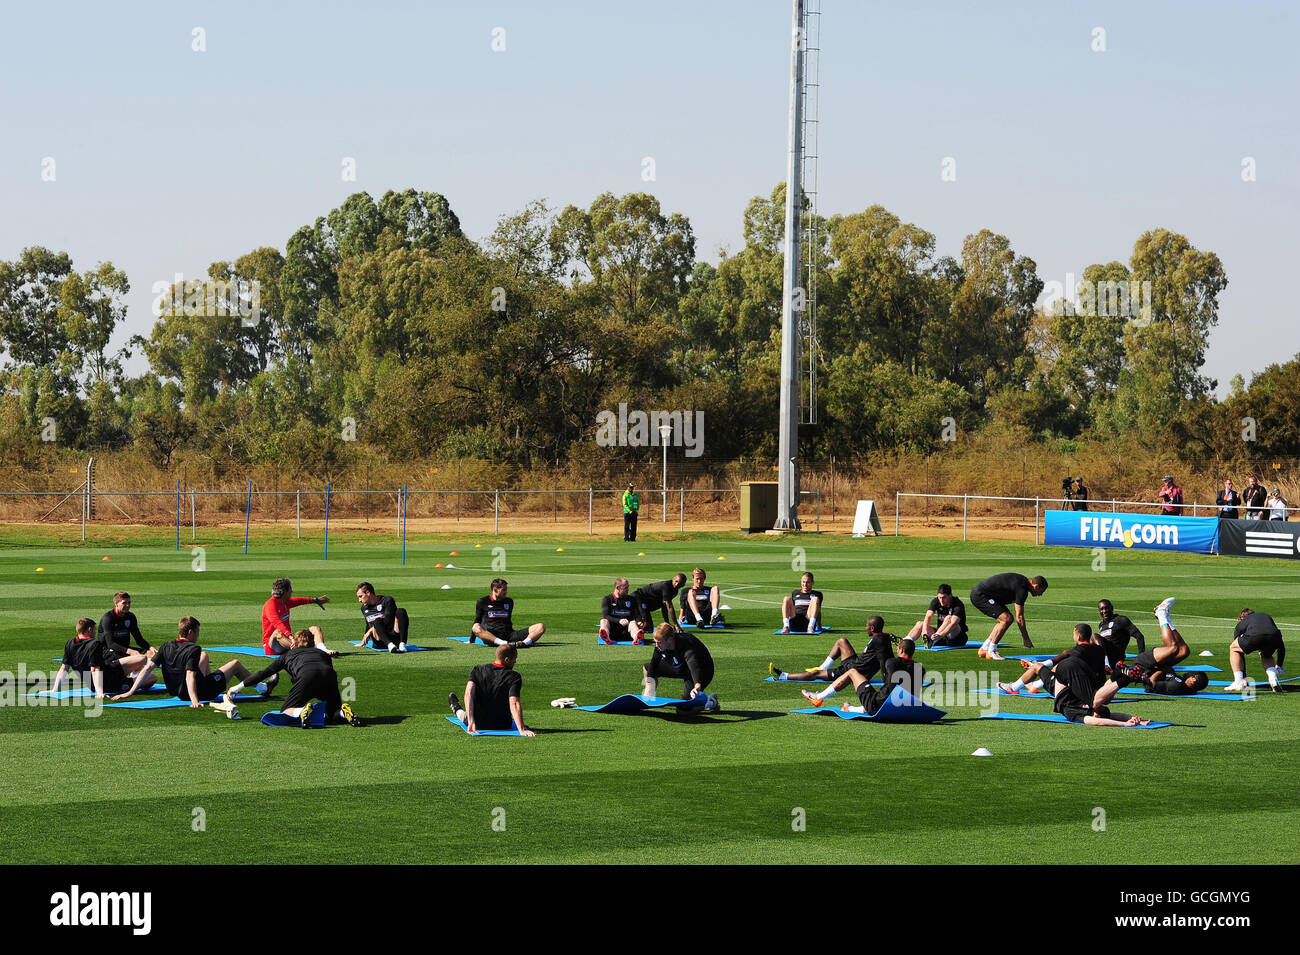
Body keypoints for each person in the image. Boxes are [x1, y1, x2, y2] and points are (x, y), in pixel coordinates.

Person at [112, 617, 257, 710]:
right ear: (190, 633)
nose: (198, 635)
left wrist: (131, 692)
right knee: (235, 664)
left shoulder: (166, 646)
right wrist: (195, 700)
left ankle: (209, 681)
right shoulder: (193, 648)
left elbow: (147, 668)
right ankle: (263, 688)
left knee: (204, 656)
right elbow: (190, 675)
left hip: (178, 693)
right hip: (200, 693)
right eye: (197, 632)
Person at [227, 629, 362, 727]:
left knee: (286, 710)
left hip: (306, 676)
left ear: (295, 643)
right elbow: (325, 671)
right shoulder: (322, 653)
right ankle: (344, 712)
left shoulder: (287, 655)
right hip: (328, 675)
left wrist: (237, 687)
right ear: (312, 643)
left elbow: (264, 674)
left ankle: (302, 710)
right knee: (333, 713)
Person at [769, 616, 895, 707]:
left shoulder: (879, 640)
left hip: (855, 670)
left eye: (867, 626)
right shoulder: (882, 638)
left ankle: (784, 676)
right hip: (856, 663)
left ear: (872, 628)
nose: (865, 628)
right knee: (842, 641)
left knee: (816, 675)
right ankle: (823, 666)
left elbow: (884, 661)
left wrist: (886, 681)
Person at [1107, 599, 1210, 697]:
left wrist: (1163, 671)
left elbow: (1151, 684)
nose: (1190, 674)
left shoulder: (1178, 686)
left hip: (1144, 665)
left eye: (1194, 675)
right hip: (1154, 666)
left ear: (1193, 680)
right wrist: (1167, 670)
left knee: (1173, 648)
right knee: (1184, 651)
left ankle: (1161, 614)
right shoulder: (1185, 687)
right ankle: (1166, 617)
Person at [51, 617, 153, 697]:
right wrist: (100, 692)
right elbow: (95, 669)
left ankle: (129, 677)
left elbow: (64, 668)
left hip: (93, 684)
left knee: (139, 661)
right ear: (89, 629)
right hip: (108, 681)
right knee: (151, 676)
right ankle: (130, 679)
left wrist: (55, 689)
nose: (95, 632)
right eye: (94, 629)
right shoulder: (94, 643)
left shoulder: (70, 643)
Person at [448, 644, 535, 735]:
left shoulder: (478, 670)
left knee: (463, 715)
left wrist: (471, 721)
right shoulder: (514, 676)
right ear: (507, 660)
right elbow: (514, 702)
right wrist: (522, 729)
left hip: (478, 723)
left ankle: (457, 708)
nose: (515, 662)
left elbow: (468, 693)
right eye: (514, 659)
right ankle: (457, 708)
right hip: (502, 724)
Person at [836, 638, 928, 715]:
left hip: (882, 707)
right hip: (906, 709)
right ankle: (853, 708)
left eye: (897, 648)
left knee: (852, 672)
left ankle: (822, 696)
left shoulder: (892, 663)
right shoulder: (921, 668)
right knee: (876, 698)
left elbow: (889, 687)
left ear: (901, 649)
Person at [970, 572, 1048, 659]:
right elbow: (1020, 617)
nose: (1041, 594)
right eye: (1041, 591)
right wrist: (1026, 639)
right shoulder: (1022, 588)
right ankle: (992, 650)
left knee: (1006, 618)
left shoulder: (1023, 583)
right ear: (1036, 586)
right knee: (1006, 619)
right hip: (980, 595)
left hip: (985, 595)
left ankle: (984, 648)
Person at [643, 622, 718, 709]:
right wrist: (649, 687)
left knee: (684, 710)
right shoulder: (661, 645)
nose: (656, 645)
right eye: (655, 642)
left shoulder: (686, 644)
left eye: (659, 642)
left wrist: (697, 685)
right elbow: (654, 664)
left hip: (702, 672)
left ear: (670, 639)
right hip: (681, 666)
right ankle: (650, 698)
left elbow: (693, 665)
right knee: (647, 669)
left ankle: (710, 702)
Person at [261, 578, 336, 659]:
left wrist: (315, 600)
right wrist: (290, 637)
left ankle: (323, 650)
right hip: (271, 647)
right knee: (277, 632)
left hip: (287, 642)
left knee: (315, 629)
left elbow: (299, 600)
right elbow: (277, 623)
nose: (291, 592)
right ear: (284, 592)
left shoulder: (285, 601)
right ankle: (301, 652)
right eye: (290, 589)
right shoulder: (270, 605)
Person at [471, 578, 544, 648]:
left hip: (510, 635)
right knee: (475, 627)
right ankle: (502, 643)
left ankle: (524, 643)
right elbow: (477, 620)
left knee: (540, 626)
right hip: (492, 636)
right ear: (495, 590)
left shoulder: (509, 601)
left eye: (506, 589)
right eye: (504, 590)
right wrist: (472, 640)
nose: (506, 592)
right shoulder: (483, 601)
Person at [1227, 608, 1287, 693]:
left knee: (1234, 649)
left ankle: (1238, 682)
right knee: (1266, 654)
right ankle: (1273, 678)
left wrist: (1244, 677)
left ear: (1241, 619)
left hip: (1254, 636)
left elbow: (1240, 653)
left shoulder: (1242, 623)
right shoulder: (1265, 616)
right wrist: (1279, 664)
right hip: (1274, 636)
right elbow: (1281, 646)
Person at [906, 583, 967, 648]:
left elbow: (954, 623)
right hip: (939, 636)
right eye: (939, 597)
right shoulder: (936, 601)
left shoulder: (958, 604)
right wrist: (924, 631)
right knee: (920, 624)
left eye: (944, 598)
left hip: (956, 638)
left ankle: (934, 640)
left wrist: (941, 635)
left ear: (950, 596)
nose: (941, 600)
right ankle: (905, 641)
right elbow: (928, 616)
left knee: (948, 618)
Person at [355, 582, 409, 652]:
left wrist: (371, 630)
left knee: (401, 611)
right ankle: (389, 645)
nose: (359, 600)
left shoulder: (387, 600)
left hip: (394, 637)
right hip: (379, 641)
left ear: (368, 593)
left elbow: (388, 621)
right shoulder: (363, 608)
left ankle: (402, 644)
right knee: (377, 621)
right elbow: (368, 624)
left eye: (360, 596)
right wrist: (364, 639)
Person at [1095, 598, 1146, 665]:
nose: (1104, 611)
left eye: (1106, 608)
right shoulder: (1101, 625)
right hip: (1107, 654)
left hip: (1117, 656)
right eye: (1101, 609)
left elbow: (1139, 636)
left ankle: (1106, 664)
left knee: (1094, 636)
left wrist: (1141, 658)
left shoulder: (1121, 620)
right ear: (1099, 611)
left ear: (1112, 608)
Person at [98, 592, 151, 656]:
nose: (128, 605)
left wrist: (150, 648)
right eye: (124, 603)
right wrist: (130, 651)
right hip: (108, 651)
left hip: (124, 649)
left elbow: (139, 639)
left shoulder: (131, 616)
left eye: (129, 602)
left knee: (153, 655)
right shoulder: (108, 618)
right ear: (116, 604)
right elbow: (110, 644)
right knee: (140, 658)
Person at [600, 577, 645, 644]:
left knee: (633, 623)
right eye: (626, 588)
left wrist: (639, 622)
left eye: (628, 587)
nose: (628, 590)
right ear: (617, 588)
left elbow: (637, 614)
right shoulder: (607, 599)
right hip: (612, 631)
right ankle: (606, 637)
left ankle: (637, 637)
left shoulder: (631, 599)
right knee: (603, 621)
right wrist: (619, 621)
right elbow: (605, 616)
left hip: (627, 631)